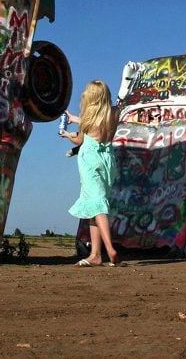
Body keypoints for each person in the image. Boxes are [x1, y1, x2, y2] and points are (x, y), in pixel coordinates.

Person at [60, 80, 119, 267]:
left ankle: (110, 249)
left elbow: (79, 140)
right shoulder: (113, 113)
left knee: (98, 205)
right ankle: (95, 254)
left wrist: (68, 135)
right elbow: (94, 124)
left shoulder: (87, 117)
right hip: (108, 161)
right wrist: (75, 119)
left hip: (90, 161)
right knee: (94, 206)